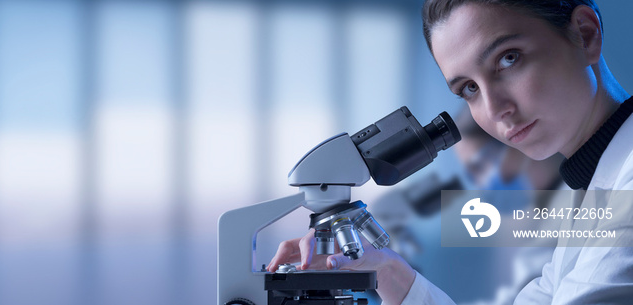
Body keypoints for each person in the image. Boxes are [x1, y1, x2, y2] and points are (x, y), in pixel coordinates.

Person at [267, 0, 633, 304]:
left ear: (585, 35)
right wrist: (390, 273)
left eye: (509, 59)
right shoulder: (590, 190)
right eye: (470, 88)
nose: (493, 108)